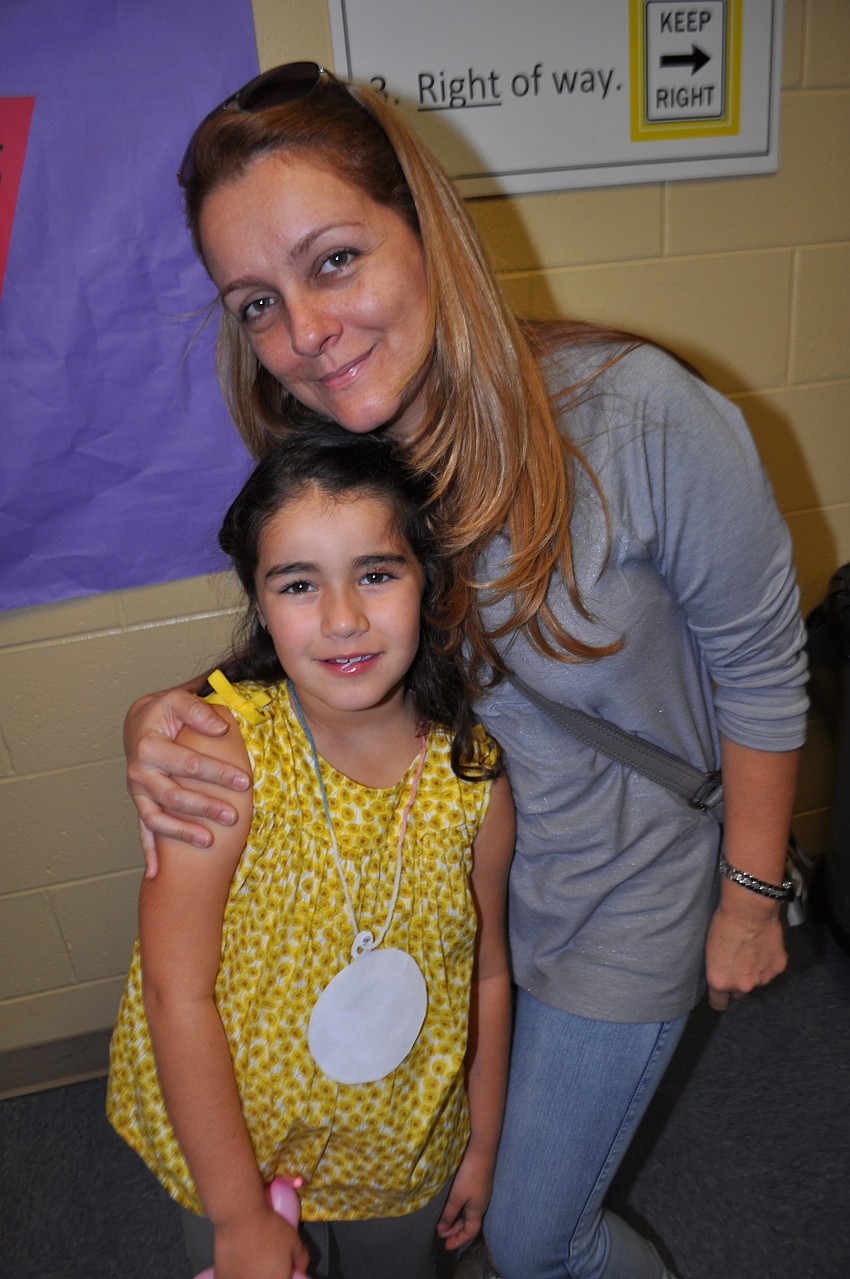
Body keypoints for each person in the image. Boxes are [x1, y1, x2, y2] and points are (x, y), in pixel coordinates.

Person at [123, 64, 808, 1279]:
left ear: (424, 229)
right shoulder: (335, 451)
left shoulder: (640, 419)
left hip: (620, 897)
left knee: (537, 1237)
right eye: (255, 304)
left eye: (333, 260)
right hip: (453, 902)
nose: (303, 334)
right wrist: (163, 715)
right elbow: (311, 648)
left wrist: (751, 898)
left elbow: (759, 658)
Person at [108, 425, 515, 1279]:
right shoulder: (221, 763)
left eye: (376, 572)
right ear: (260, 603)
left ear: (426, 581)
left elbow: (486, 973)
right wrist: (237, 1212)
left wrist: (478, 1144)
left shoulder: (472, 781)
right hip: (236, 1152)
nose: (342, 618)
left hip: (400, 1147)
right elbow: (176, 994)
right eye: (300, 584)